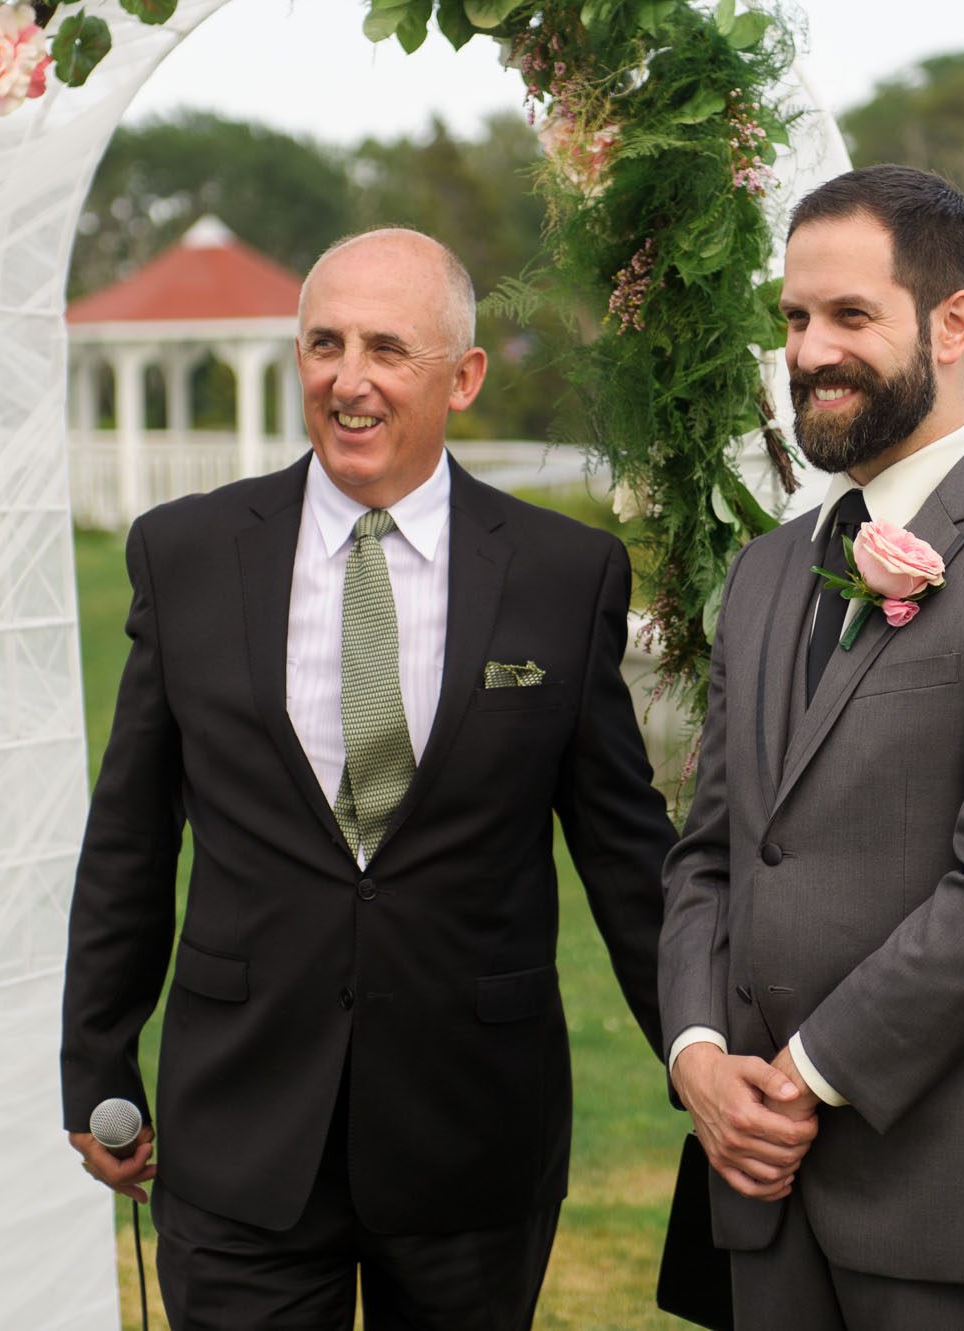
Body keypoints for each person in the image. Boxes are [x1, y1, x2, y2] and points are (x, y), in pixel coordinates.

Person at [60, 228, 676, 1330]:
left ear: (463, 376)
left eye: (388, 348)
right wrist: (95, 1054)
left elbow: (625, 851)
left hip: (471, 1134)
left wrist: (701, 1050)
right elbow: (131, 835)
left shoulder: (559, 574)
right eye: (324, 343)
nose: (350, 378)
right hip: (241, 1125)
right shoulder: (186, 554)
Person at [659, 164, 964, 1330]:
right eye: (792, 317)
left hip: (946, 1186)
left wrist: (804, 1072)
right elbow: (708, 855)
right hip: (755, 1184)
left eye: (847, 316)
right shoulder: (769, 569)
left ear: (951, 321)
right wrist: (694, 1054)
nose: (810, 350)